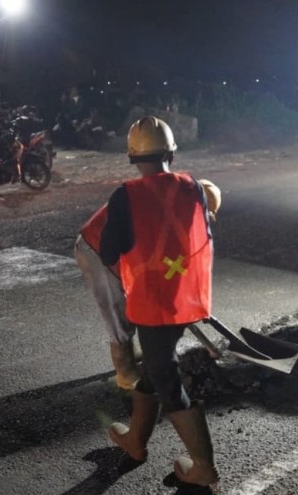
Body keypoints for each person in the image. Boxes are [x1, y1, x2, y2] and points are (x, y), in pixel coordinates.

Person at [100, 116, 219, 490]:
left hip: (151, 305)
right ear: (171, 151)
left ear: (133, 157)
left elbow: (107, 251)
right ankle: (135, 441)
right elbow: (205, 232)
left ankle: (203, 467)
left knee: (165, 378)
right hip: (184, 299)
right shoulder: (194, 187)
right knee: (153, 370)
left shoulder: (126, 196)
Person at [74, 180, 221, 392]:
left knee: (138, 305)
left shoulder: (175, 205)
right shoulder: (165, 207)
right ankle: (125, 373)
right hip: (96, 248)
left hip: (120, 250)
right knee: (118, 314)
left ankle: (132, 354)